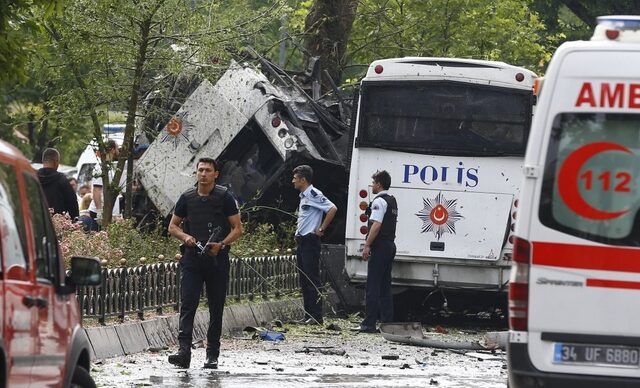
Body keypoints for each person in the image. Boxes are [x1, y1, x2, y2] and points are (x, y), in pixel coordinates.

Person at [167, 157, 243, 369]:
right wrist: (185, 237)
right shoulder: (186, 197)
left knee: (216, 307)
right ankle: (183, 353)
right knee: (188, 304)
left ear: (216, 174)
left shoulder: (225, 197)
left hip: (217, 259)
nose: (203, 174)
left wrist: (222, 244)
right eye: (200, 170)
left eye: (208, 170)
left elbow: (237, 228)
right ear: (196, 173)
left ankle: (212, 354)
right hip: (192, 257)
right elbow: (172, 226)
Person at [291, 165, 337, 325]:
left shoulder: (313, 194)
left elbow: (332, 208)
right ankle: (308, 314)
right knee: (304, 279)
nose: (293, 181)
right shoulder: (303, 196)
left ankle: (316, 316)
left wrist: (322, 228)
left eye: (295, 178)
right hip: (302, 241)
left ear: (303, 179)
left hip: (310, 241)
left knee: (312, 279)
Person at [353, 170, 398, 333]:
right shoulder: (392, 200)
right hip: (390, 245)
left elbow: (376, 225)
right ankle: (387, 323)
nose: (372, 186)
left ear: (379, 184)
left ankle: (368, 323)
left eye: (373, 183)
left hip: (380, 246)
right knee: (385, 286)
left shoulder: (379, 202)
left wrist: (367, 245)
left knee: (372, 285)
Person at [37, 148, 79, 220]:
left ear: (43, 161)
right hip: (57, 225)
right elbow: (72, 205)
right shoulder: (62, 180)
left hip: (36, 222)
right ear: (56, 162)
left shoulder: (33, 178)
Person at [88, 140, 122, 226]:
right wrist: (99, 211)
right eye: (117, 148)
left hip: (108, 211)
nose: (119, 150)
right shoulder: (100, 167)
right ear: (113, 150)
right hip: (101, 212)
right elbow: (96, 190)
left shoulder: (108, 166)